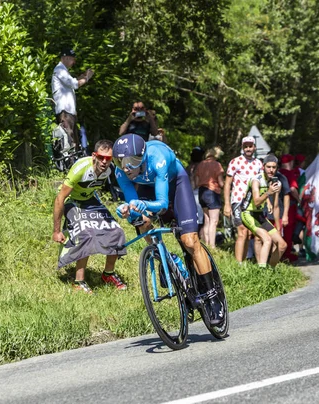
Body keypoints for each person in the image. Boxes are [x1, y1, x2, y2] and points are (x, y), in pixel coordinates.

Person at [113, 134, 224, 325]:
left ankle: (212, 296)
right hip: (149, 187)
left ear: (142, 156)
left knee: (189, 240)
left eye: (131, 161)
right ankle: (164, 256)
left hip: (175, 183)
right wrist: (127, 210)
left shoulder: (158, 158)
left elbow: (163, 204)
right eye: (120, 161)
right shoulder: (120, 172)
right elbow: (133, 205)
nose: (125, 167)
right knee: (142, 220)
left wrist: (140, 204)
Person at [52, 140, 127, 293]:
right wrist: (56, 230)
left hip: (90, 200)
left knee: (117, 231)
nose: (105, 162)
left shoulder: (110, 169)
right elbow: (60, 198)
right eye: (101, 157)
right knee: (86, 234)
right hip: (72, 200)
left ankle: (108, 274)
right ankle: (78, 282)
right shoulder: (81, 168)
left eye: (108, 158)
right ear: (94, 156)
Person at [240, 155, 287, 268]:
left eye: (274, 167)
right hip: (248, 213)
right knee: (267, 239)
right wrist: (268, 193)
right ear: (263, 167)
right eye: (268, 167)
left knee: (282, 245)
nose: (271, 170)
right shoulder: (256, 180)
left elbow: (276, 207)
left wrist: (278, 228)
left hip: (260, 215)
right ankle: (262, 272)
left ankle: (270, 271)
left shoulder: (277, 183)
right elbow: (256, 202)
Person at [223, 136, 263, 263]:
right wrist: (227, 204)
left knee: (250, 234)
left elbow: (262, 184)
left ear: (254, 147)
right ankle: (238, 264)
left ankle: (245, 261)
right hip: (238, 200)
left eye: (250, 146)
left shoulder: (258, 164)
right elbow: (227, 183)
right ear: (242, 147)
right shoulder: (235, 162)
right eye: (246, 146)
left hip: (253, 202)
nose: (248, 149)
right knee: (242, 231)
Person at [51, 47, 94, 147]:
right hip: (65, 113)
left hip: (69, 113)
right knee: (69, 143)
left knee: (74, 142)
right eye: (72, 59)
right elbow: (75, 84)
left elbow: (72, 81)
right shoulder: (59, 70)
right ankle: (69, 162)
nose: (74, 62)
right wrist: (87, 78)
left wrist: (83, 75)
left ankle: (72, 161)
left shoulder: (63, 71)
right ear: (65, 58)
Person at [195, 146, 225, 248]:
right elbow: (221, 183)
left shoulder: (201, 164)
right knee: (214, 221)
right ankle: (212, 246)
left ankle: (206, 243)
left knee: (207, 220)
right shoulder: (217, 165)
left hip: (202, 192)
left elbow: (197, 182)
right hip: (213, 193)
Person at [278, 154, 299, 262]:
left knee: (278, 230)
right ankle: (285, 255)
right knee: (288, 231)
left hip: (277, 206)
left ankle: (278, 254)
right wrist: (299, 199)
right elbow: (292, 188)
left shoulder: (277, 173)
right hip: (289, 206)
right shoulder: (289, 174)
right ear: (290, 162)